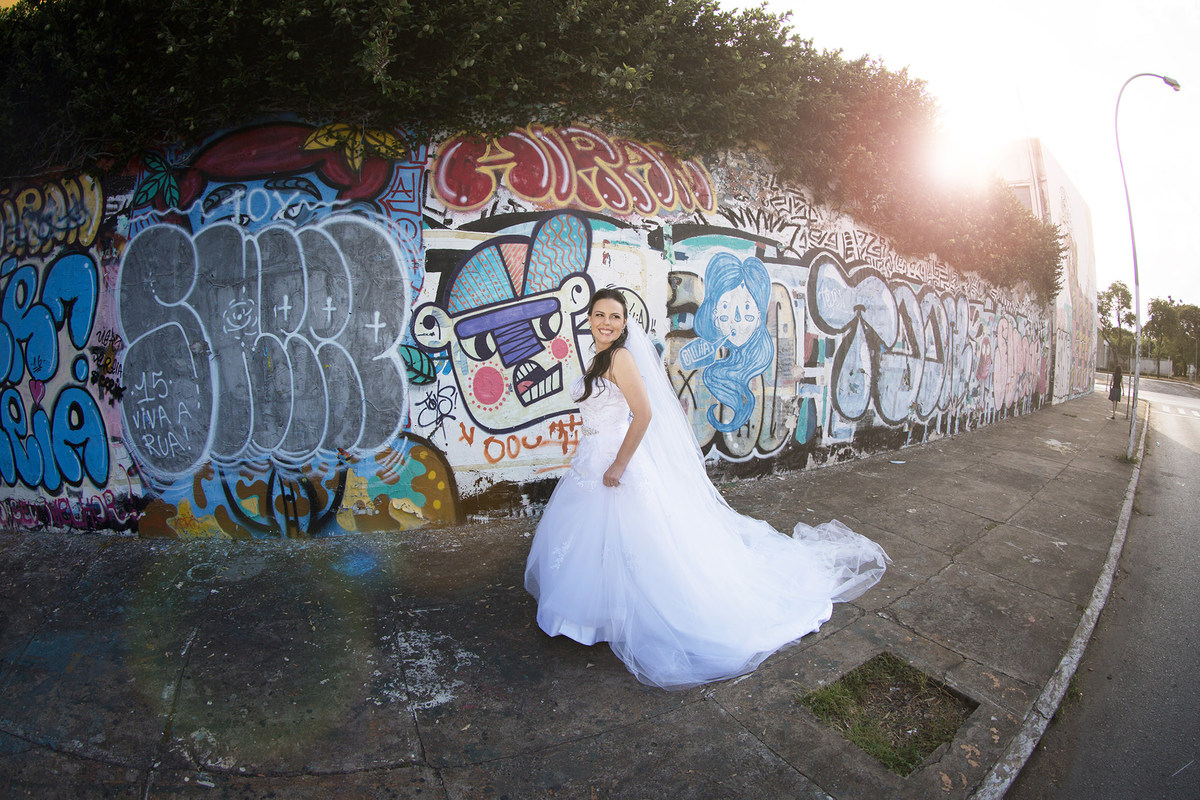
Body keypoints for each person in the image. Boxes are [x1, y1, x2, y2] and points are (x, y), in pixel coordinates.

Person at [524, 287, 890, 690]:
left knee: (640, 542)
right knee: (597, 539)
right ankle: (598, 612)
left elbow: (643, 415)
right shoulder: (600, 358)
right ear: (589, 318)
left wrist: (619, 465)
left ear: (625, 323)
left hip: (615, 463)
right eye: (599, 315)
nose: (606, 323)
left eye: (614, 316)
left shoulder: (621, 357)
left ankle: (630, 612)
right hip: (590, 462)